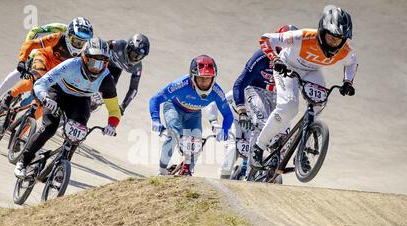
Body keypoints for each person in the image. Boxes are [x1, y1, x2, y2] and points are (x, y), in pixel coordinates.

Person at [252, 6, 357, 168]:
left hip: (312, 71)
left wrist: (348, 82)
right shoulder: (303, 36)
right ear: (322, 32)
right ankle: (258, 146)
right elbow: (266, 39)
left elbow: (352, 63)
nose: (335, 43)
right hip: (287, 66)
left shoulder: (345, 50)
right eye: (331, 37)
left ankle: (301, 151)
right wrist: (276, 59)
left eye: (339, 39)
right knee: (288, 108)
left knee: (318, 106)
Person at [14, 37, 121, 178]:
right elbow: (41, 83)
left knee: (78, 133)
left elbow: (114, 109)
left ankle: (61, 167)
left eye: (102, 63)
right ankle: (24, 161)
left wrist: (112, 125)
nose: (97, 68)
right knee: (50, 128)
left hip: (80, 100)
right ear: (84, 57)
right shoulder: (71, 65)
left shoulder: (107, 79)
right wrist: (45, 98)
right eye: (94, 61)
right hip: (57, 93)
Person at [207, 25, 297, 179]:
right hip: (237, 122)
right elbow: (216, 103)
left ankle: (275, 161)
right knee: (231, 151)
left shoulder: (294, 61)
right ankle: (224, 180)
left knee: (281, 122)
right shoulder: (262, 57)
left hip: (255, 122)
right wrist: (216, 123)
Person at [149, 54, 233, 176]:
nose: (204, 83)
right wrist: (155, 119)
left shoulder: (216, 91)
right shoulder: (181, 84)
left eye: (207, 78)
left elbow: (228, 115)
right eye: (200, 78)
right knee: (174, 134)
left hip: (194, 113)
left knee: (196, 143)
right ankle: (161, 171)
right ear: (192, 77)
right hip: (174, 107)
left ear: (213, 78)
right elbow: (155, 99)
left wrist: (224, 130)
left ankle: (187, 171)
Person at [0, 17, 93, 121]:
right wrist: (22, 60)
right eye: (75, 41)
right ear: (68, 35)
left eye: (82, 43)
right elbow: (30, 44)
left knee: (44, 105)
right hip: (45, 58)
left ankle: (24, 130)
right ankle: (10, 95)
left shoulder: (85, 54)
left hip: (58, 72)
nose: (78, 45)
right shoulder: (58, 38)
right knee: (34, 80)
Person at [0, 22, 68, 110]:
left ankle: (32, 95)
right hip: (42, 51)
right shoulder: (61, 28)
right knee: (20, 71)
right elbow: (35, 31)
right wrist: (28, 54)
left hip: (56, 64)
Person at [102, 33, 150, 115]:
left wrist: (123, 106)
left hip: (115, 70)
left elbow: (133, 89)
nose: (134, 59)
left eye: (139, 57)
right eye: (134, 54)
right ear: (128, 48)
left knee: (109, 88)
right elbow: (100, 46)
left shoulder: (137, 68)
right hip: (103, 62)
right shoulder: (118, 44)